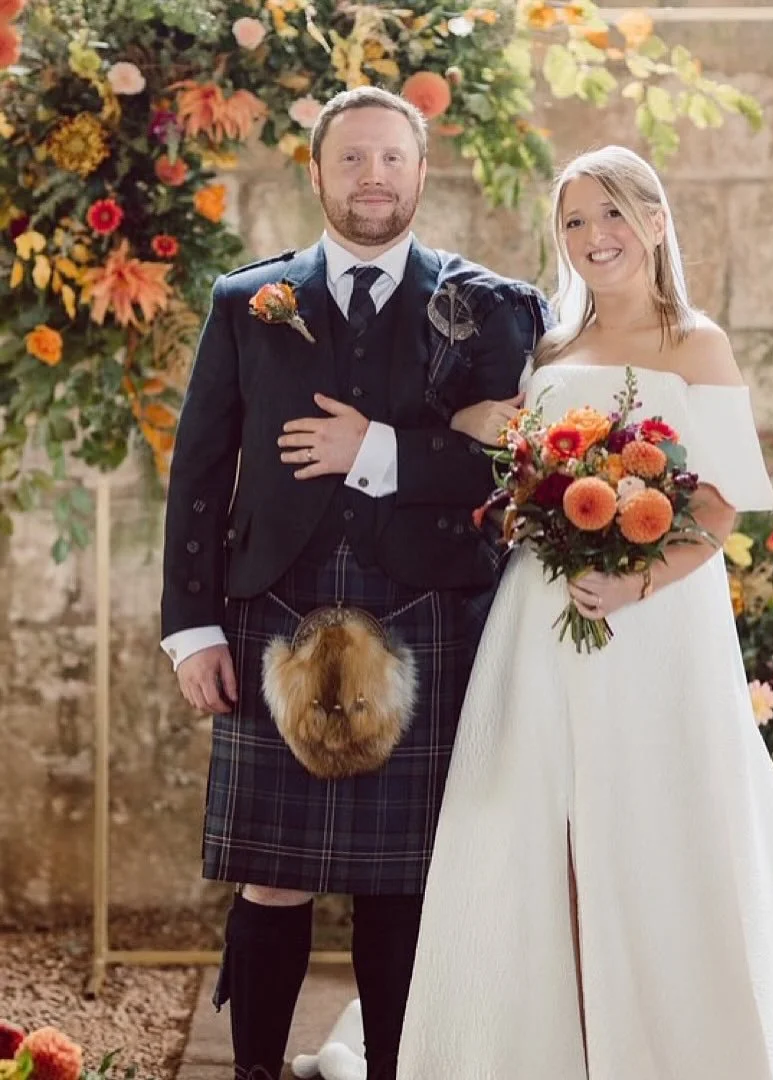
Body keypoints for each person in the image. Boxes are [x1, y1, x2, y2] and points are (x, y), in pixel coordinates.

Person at [394, 146, 773, 1079]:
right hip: (542, 613)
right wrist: (491, 443)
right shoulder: (549, 344)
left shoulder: (697, 342)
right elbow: (515, 441)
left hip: (655, 622)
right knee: (529, 813)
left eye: (612, 217)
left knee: (654, 820)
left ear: (656, 222)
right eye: (575, 222)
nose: (595, 238)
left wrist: (634, 584)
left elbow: (719, 507)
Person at [159, 86, 547, 1080]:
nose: (373, 176)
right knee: (270, 879)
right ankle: (252, 1071)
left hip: (430, 609)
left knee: (404, 884)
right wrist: (192, 629)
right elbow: (201, 469)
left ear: (421, 172)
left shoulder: (487, 306)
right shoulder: (250, 302)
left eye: (392, 159)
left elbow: (516, 467)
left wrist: (377, 450)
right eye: (352, 159)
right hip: (272, 612)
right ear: (319, 173)